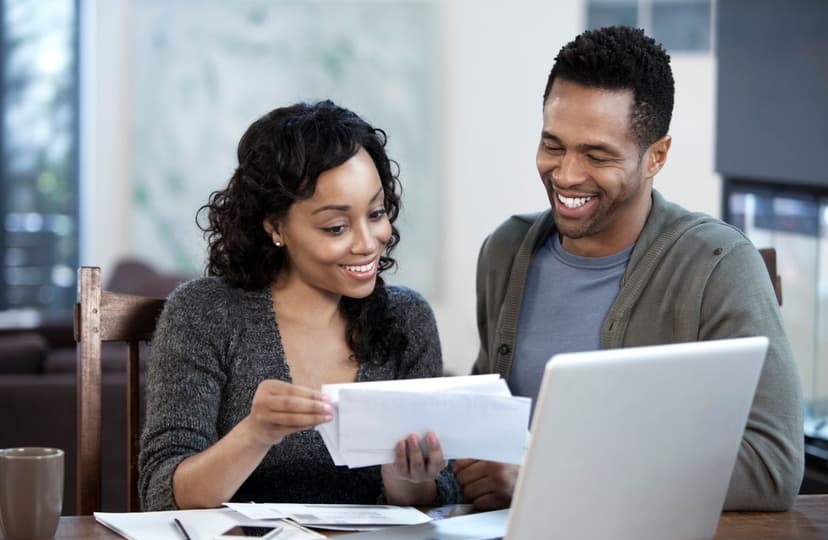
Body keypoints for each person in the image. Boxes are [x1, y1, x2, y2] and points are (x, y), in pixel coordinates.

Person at [456, 26, 804, 512]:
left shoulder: (718, 266)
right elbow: (491, 427)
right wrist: (442, 473)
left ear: (656, 156)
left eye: (597, 155)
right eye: (553, 145)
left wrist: (549, 476)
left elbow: (772, 468)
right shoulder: (506, 251)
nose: (566, 174)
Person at [139, 100, 459, 511]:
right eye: (336, 227)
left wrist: (405, 479)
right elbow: (160, 494)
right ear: (275, 225)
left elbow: (436, 498)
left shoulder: (407, 319)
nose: (367, 242)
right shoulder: (203, 313)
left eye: (376, 213)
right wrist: (254, 434)